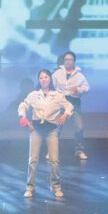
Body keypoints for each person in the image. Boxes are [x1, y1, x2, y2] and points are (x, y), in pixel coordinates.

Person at [18, 69, 73, 198]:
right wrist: (23, 117)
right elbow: (23, 105)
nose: (43, 80)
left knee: (54, 160)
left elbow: (69, 106)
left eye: (46, 77)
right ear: (39, 80)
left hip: (52, 130)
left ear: (50, 79)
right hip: (36, 129)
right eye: (41, 78)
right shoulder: (33, 95)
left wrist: (65, 115)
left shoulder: (57, 95)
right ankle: (30, 186)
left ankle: (56, 186)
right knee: (33, 160)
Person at [52, 51, 90, 159]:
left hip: (74, 103)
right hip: (61, 102)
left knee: (79, 127)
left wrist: (77, 89)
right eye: (66, 60)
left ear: (74, 61)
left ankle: (79, 150)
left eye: (71, 60)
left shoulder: (79, 75)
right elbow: (52, 87)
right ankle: (52, 150)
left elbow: (87, 88)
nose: (68, 62)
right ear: (64, 61)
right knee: (57, 127)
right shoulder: (57, 73)